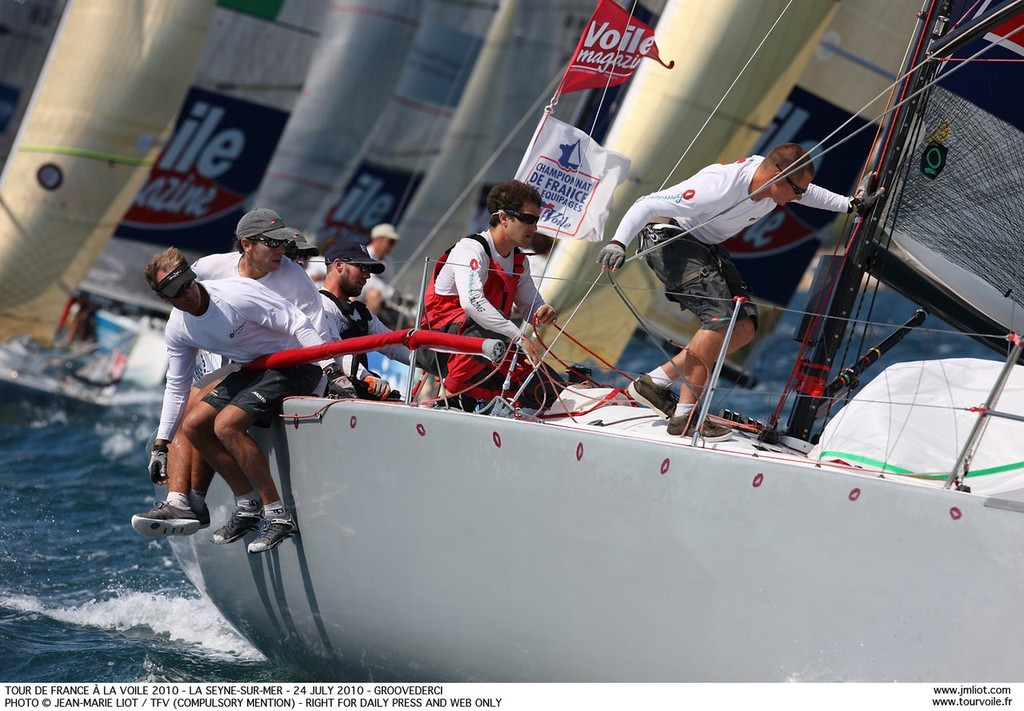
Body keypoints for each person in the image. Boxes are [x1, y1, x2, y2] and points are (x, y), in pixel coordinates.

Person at [597, 143, 883, 441]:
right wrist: (618, 243)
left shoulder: (777, 184)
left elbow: (811, 193)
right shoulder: (717, 187)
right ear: (777, 175)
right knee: (719, 320)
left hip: (705, 247)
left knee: (744, 328)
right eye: (797, 189)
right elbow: (646, 204)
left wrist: (851, 204)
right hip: (670, 237)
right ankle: (684, 417)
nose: (800, 196)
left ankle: (654, 383)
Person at [132, 208, 354, 545]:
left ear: (193, 277)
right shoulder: (180, 323)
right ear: (165, 299)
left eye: (188, 284)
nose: (188, 293)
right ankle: (234, 504)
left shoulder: (236, 294)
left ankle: (277, 515)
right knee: (192, 423)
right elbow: (175, 386)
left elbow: (300, 324)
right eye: (177, 292)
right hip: (250, 367)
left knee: (225, 425)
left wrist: (332, 372)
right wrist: (161, 444)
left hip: (294, 365)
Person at [420, 179, 562, 410]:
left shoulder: (518, 261)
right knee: (488, 326)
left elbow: (530, 305)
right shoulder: (471, 248)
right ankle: (447, 398)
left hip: (489, 343)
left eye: (537, 220)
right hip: (439, 345)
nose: (534, 227)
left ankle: (483, 406)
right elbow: (472, 303)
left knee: (549, 388)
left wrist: (540, 311)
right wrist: (518, 337)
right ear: (504, 218)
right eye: (528, 219)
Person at [318, 241, 412, 399]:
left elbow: (393, 346)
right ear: (339, 265)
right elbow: (333, 351)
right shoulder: (318, 305)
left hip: (351, 394)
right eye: (362, 267)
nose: (368, 275)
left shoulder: (360, 312)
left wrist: (428, 363)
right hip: (322, 395)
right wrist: (366, 376)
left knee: (395, 399)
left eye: (368, 269)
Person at [359, 223, 407, 317]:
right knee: (374, 295)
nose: (392, 246)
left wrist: (395, 294)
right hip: (361, 296)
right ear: (378, 240)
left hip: (384, 299)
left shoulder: (389, 260)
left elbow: (392, 282)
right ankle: (367, 325)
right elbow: (368, 282)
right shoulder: (365, 254)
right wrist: (390, 293)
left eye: (393, 243)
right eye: (390, 242)